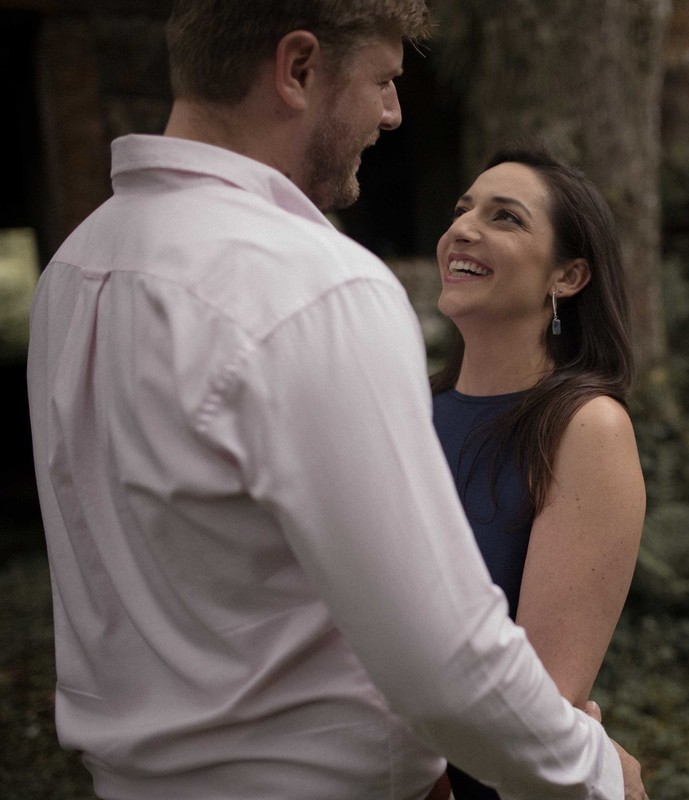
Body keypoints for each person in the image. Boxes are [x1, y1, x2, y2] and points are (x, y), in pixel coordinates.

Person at [25, 2, 646, 798]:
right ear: (298, 69)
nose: (391, 114)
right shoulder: (319, 288)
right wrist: (597, 773)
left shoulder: (73, 274)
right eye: (383, 80)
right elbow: (443, 662)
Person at [430, 149, 647, 799]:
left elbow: (542, 696)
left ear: (570, 276)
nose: (463, 228)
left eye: (506, 218)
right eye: (463, 208)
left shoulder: (586, 429)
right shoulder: (406, 413)